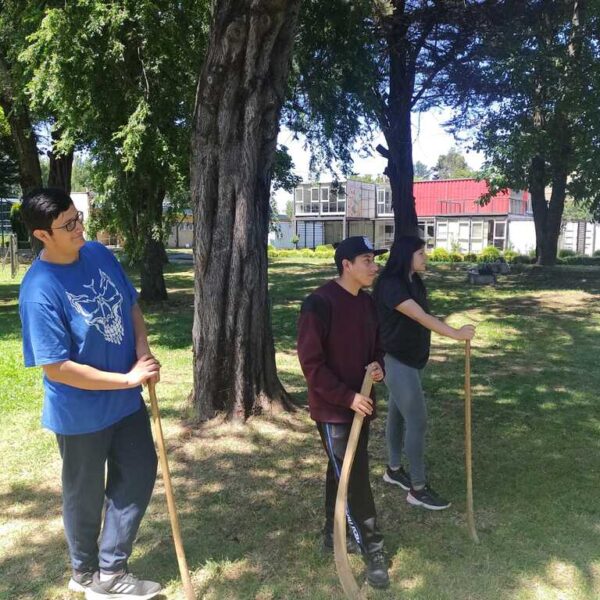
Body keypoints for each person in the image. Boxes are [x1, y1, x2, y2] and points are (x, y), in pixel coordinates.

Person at [18, 188, 163, 600]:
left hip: (126, 399)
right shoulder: (39, 290)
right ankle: (84, 573)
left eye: (77, 216)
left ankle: (111, 569)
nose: (79, 227)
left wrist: (143, 352)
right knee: (82, 493)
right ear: (43, 234)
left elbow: (129, 305)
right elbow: (58, 367)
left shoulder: (98, 253)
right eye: (68, 225)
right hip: (78, 410)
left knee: (137, 473)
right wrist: (126, 379)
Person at [297, 236, 390, 590]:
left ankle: (330, 530)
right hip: (334, 410)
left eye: (374, 259)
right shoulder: (319, 304)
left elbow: (377, 347)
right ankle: (372, 548)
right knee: (355, 475)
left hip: (360, 404)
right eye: (367, 260)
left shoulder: (366, 304)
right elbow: (311, 365)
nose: (374, 266)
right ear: (346, 265)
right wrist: (346, 397)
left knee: (341, 471)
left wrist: (378, 367)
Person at [373, 236, 475, 510]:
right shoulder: (391, 285)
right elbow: (419, 316)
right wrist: (455, 334)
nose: (425, 257)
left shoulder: (413, 281)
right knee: (417, 420)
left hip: (410, 360)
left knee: (398, 414)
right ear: (407, 256)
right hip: (394, 360)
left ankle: (394, 470)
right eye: (420, 253)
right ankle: (417, 489)